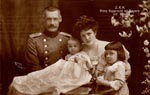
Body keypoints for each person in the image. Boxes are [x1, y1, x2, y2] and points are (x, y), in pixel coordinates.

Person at [7, 37, 94, 95]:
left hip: (75, 75)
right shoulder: (68, 56)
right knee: (45, 74)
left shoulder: (81, 55)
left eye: (75, 46)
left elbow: (87, 64)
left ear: (80, 47)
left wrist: (89, 68)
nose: (72, 48)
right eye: (70, 46)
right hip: (62, 71)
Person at [72, 15, 131, 93]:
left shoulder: (109, 47)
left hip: (111, 90)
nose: (87, 38)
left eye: (89, 34)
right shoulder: (80, 51)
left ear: (95, 32)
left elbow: (126, 70)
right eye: (83, 35)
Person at [24, 5, 71, 73]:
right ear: (43, 19)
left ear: (60, 19)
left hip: (63, 78)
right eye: (49, 19)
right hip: (41, 78)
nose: (52, 23)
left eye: (55, 19)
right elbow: (33, 66)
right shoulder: (34, 40)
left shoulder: (67, 39)